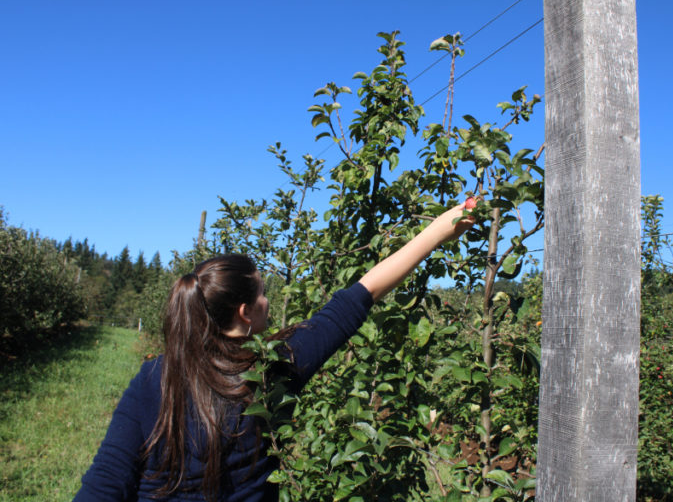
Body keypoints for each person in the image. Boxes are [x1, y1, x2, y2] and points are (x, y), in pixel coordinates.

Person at [74, 201, 475, 501]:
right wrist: (439, 231)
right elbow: (357, 298)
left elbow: (105, 483)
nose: (269, 299)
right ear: (246, 312)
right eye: (264, 293)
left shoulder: (152, 380)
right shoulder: (270, 371)